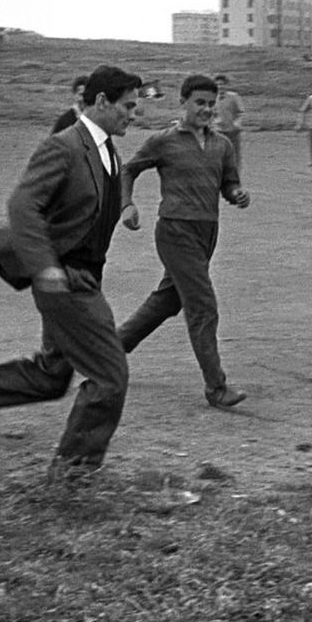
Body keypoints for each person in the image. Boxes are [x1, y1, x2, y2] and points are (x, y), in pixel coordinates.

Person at [0, 65, 145, 480]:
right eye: (128, 106)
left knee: (51, 376)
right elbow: (22, 205)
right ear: (102, 101)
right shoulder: (64, 146)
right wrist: (46, 267)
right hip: (65, 280)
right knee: (110, 376)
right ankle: (72, 475)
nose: (133, 115)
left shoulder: (108, 152)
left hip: (84, 275)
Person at [116, 75, 250, 410]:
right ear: (183, 103)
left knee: (167, 301)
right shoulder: (164, 141)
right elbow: (128, 171)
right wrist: (127, 205)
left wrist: (236, 194)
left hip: (207, 232)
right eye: (199, 103)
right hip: (175, 231)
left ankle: (108, 350)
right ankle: (216, 387)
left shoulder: (222, 145)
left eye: (211, 104)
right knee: (203, 306)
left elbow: (229, 183)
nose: (206, 109)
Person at [213, 74, 246, 172]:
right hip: (219, 132)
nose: (220, 87)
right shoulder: (212, 98)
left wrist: (237, 123)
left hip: (233, 132)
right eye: (218, 84)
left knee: (234, 155)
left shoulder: (234, 97)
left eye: (222, 84)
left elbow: (241, 112)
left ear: (226, 85)